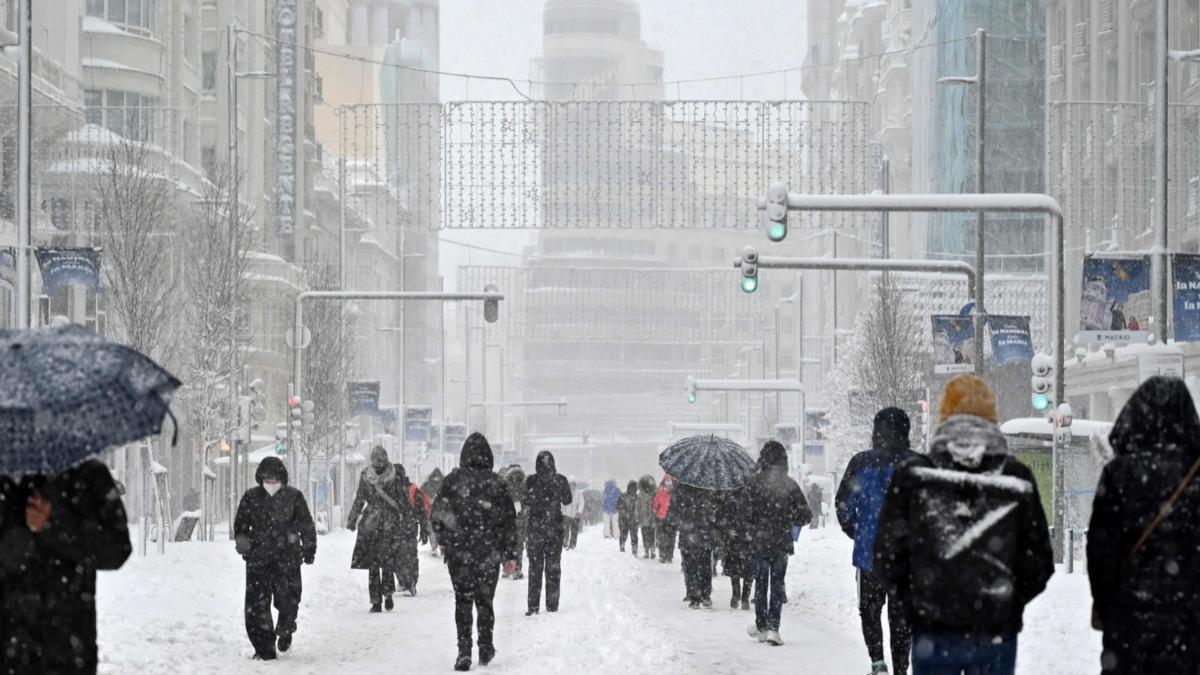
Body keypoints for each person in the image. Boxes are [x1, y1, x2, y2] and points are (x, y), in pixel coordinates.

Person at [873, 375, 1053, 675]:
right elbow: (1039, 561)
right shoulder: (1016, 478)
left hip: (933, 630)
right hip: (995, 633)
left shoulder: (914, 477)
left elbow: (887, 555)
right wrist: (1007, 603)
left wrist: (916, 603)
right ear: (992, 418)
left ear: (944, 416)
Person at [1088, 377, 1200, 675]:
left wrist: (1109, 606)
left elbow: (1101, 555)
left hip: (1130, 625)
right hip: (1191, 626)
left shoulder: (1119, 474)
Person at [0, 459, 131, 674]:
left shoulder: (88, 474)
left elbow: (117, 549)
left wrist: (53, 524)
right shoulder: (5, 476)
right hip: (9, 646)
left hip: (67, 649)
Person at [836, 407, 920, 675]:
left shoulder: (860, 463)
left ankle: (877, 662)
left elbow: (843, 505)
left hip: (869, 554)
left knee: (870, 610)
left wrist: (857, 531)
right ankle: (900, 669)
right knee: (901, 616)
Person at [431, 433, 518, 672]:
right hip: (488, 553)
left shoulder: (452, 482)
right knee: (485, 600)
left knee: (463, 600)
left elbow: (438, 513)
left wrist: (443, 538)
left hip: (460, 553)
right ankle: (486, 644)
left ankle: (463, 650)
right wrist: (510, 554)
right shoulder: (497, 484)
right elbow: (509, 520)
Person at [234, 456, 317, 660]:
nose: (271, 484)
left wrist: (309, 547)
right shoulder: (251, 497)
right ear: (260, 478)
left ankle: (285, 628)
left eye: (275, 479)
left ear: (282, 478)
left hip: (286, 559)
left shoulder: (294, 496)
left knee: (289, 600)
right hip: (259, 559)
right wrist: (243, 544)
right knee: (256, 607)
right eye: (267, 479)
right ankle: (264, 649)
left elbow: (306, 524)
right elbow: (241, 524)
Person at [743, 441, 811, 645]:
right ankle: (774, 628)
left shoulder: (753, 483)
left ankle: (761, 625)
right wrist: (788, 518)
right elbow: (805, 515)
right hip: (781, 542)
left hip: (759, 541)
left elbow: (744, 513)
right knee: (777, 585)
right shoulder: (790, 485)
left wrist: (753, 526)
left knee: (761, 584)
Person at [346, 446, 409, 611]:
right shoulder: (366, 476)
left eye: (380, 461)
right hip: (372, 525)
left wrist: (405, 517)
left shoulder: (395, 476)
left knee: (387, 562)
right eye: (375, 461)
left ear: (386, 460)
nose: (378, 464)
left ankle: (387, 595)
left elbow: (402, 499)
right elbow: (360, 499)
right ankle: (376, 600)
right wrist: (352, 519)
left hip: (388, 524)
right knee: (374, 564)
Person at [523, 451, 572, 615]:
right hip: (554, 529)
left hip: (536, 529)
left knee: (534, 568)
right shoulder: (560, 480)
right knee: (553, 568)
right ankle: (552, 604)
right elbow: (567, 500)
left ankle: (533, 606)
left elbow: (525, 500)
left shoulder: (531, 481)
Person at [672, 482, 720, 608]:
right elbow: (715, 511)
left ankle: (694, 595)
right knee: (704, 564)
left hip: (689, 533)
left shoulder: (682, 486)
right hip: (704, 532)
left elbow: (675, 510)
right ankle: (705, 594)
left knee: (691, 565)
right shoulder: (709, 487)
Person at [716, 484, 753, 611]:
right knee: (738, 569)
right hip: (737, 539)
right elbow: (722, 517)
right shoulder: (730, 496)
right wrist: (728, 530)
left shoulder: (748, 496)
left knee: (743, 569)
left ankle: (742, 597)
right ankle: (739, 596)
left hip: (744, 538)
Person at [398, 465, 430, 595]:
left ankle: (404, 581)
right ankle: (411, 581)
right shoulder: (413, 489)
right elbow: (422, 512)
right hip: (411, 527)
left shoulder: (395, 489)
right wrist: (423, 530)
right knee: (411, 555)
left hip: (397, 528)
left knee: (397, 556)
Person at [500, 465, 528, 580]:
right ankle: (517, 569)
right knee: (519, 546)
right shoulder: (525, 485)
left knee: (506, 545)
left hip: (507, 521)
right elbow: (528, 503)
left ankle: (506, 569)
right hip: (520, 520)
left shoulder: (504, 486)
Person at [653, 475, 677, 564]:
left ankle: (669, 556)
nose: (668, 484)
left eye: (670, 482)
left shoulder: (674, 493)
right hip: (662, 518)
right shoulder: (660, 492)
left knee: (671, 539)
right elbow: (655, 504)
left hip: (671, 519)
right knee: (663, 538)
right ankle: (663, 555)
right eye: (667, 482)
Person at [422, 468, 445, 557]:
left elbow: (421, 495)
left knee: (432, 531)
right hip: (440, 512)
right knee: (439, 531)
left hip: (431, 511)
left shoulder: (427, 485)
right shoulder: (444, 484)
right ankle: (440, 548)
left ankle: (434, 548)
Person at [636, 475, 658, 559]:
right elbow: (637, 506)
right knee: (647, 535)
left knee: (649, 535)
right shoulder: (642, 495)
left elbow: (637, 506)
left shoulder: (643, 495)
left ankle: (650, 551)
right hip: (646, 518)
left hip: (648, 518)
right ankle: (648, 550)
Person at [618, 480, 639, 554]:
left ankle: (634, 549)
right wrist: (624, 512)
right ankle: (623, 547)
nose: (634, 490)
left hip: (633, 520)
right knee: (624, 535)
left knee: (633, 536)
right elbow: (618, 506)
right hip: (624, 519)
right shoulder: (623, 496)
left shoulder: (637, 497)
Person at [561, 480, 583, 550]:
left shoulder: (579, 493)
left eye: (573, 485)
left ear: (575, 486)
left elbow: (581, 503)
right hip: (566, 515)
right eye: (571, 485)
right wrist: (562, 512)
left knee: (574, 531)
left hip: (575, 515)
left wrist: (579, 511)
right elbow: (561, 503)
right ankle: (565, 543)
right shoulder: (565, 492)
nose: (572, 487)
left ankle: (572, 544)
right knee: (565, 530)